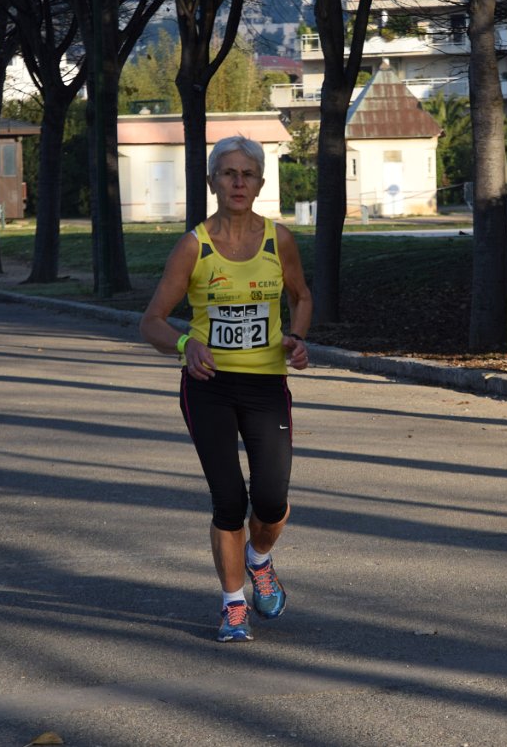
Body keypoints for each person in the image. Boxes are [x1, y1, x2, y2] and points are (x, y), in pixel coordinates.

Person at [139, 135, 312, 643]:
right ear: (213, 181)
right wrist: (185, 344)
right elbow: (151, 321)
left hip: (266, 385)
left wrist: (298, 337)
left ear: (260, 183)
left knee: (272, 500)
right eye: (229, 173)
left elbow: (302, 296)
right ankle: (233, 606)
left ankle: (259, 559)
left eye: (248, 174)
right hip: (208, 386)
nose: (239, 182)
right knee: (229, 500)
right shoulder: (194, 246)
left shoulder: (279, 240)